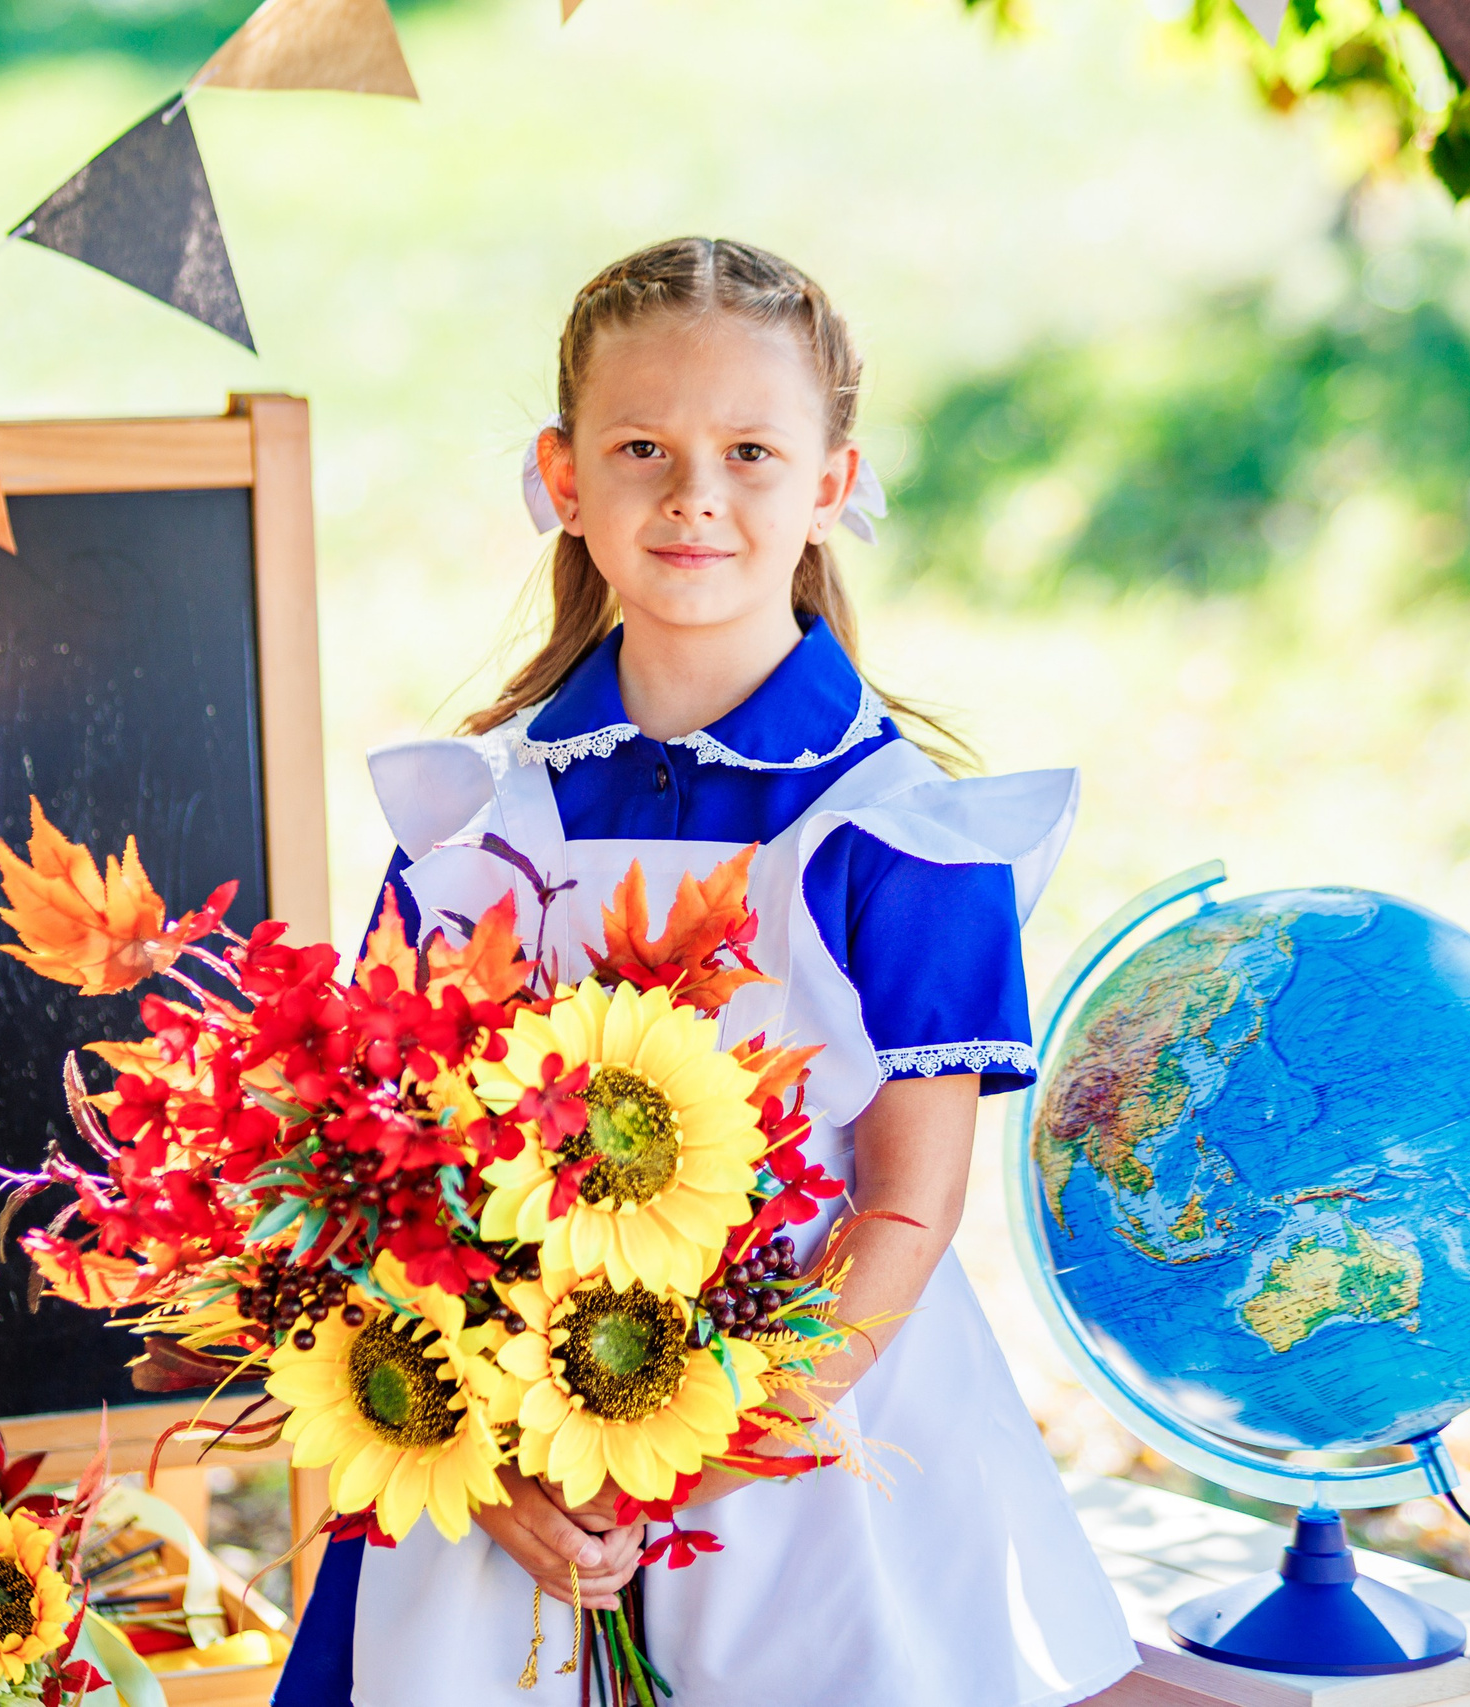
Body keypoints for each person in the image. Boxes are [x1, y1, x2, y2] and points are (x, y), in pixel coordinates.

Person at [272, 237, 1136, 1707]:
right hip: (509, 1480)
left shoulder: (905, 834)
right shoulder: (472, 818)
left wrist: (681, 1460)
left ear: (830, 483)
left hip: (804, 1468)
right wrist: (489, 1474)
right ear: (562, 476)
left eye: (750, 451)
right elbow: (377, 1177)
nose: (694, 495)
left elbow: (908, 1208)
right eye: (640, 448)